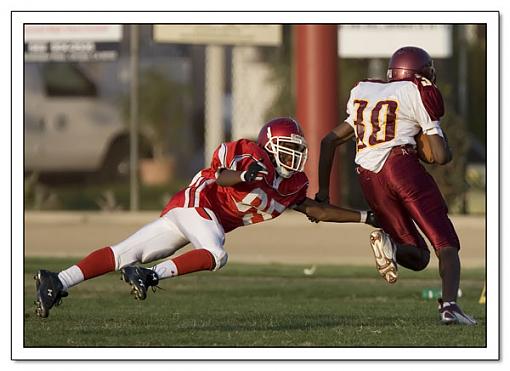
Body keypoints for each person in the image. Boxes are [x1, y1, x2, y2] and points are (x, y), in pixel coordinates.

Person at [34, 117, 378, 318]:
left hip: (196, 217)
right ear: (270, 146)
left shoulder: (291, 184)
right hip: (198, 203)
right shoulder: (250, 154)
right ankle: (150, 276)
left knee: (126, 252)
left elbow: (315, 209)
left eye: (296, 149)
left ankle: (57, 280)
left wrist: (365, 216)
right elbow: (220, 173)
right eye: (287, 147)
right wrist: (245, 176)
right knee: (216, 254)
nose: (294, 156)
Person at [312, 46, 476, 325]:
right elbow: (441, 156)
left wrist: (324, 193)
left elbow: (328, 141)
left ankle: (389, 246)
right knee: (446, 243)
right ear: (421, 74)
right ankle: (450, 307)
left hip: (367, 176)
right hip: (401, 167)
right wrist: (432, 132)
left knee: (419, 256)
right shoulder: (414, 92)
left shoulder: (365, 90)